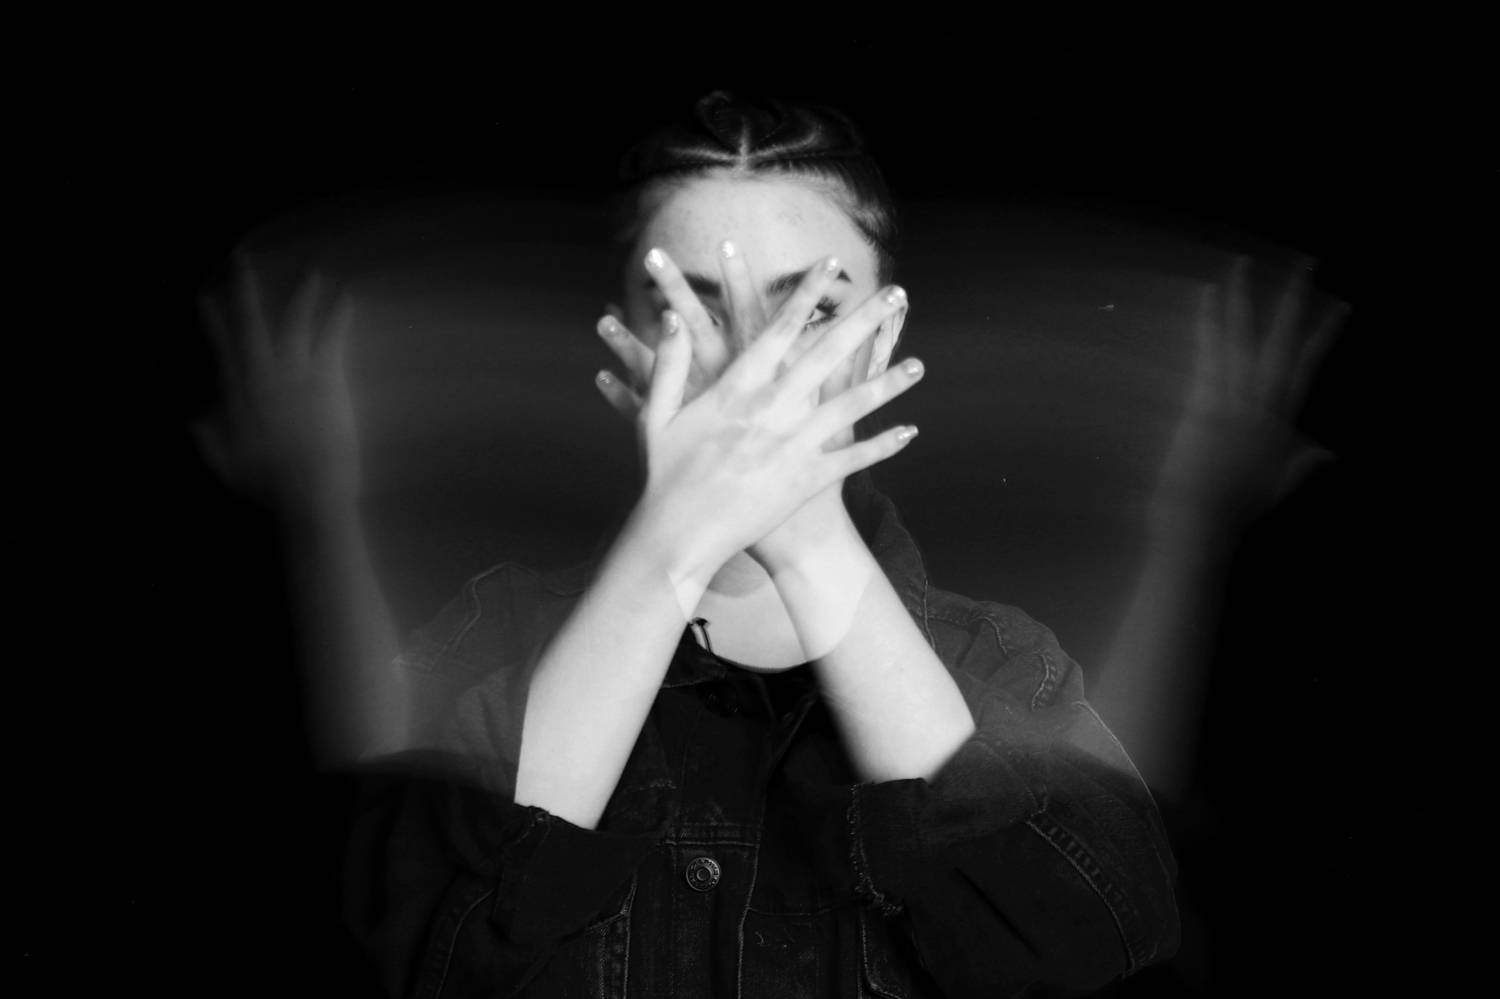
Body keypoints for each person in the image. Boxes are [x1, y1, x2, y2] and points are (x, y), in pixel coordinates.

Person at [195, 91, 1337, 997]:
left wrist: (807, 539)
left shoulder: (997, 665)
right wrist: (671, 549)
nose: (753, 365)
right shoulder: (493, 638)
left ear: (884, 334)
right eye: (690, 308)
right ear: (622, 342)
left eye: (814, 310)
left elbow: (1094, 944)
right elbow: (412, 950)